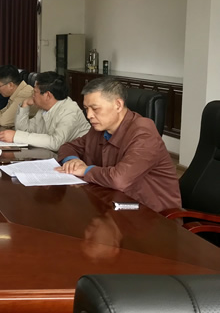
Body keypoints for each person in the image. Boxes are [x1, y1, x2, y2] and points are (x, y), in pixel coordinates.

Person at [56, 77, 181, 212]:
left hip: (153, 215)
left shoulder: (144, 134)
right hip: (112, 204)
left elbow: (119, 179)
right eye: (86, 109)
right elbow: (68, 147)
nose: (89, 115)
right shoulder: (99, 129)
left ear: (118, 105)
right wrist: (72, 160)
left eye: (95, 109)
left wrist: (86, 170)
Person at [0, 71, 90, 151]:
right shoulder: (44, 109)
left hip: (78, 159)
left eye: (35, 92)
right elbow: (23, 130)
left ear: (47, 95)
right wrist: (25, 104)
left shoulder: (70, 111)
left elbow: (56, 142)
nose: (32, 95)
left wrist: (16, 136)